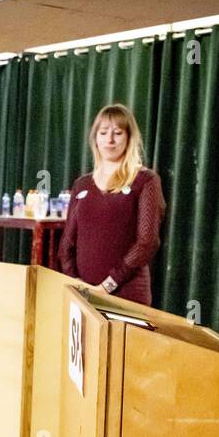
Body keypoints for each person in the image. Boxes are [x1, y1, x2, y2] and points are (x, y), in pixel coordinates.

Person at [59, 103, 165, 306]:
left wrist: (108, 285)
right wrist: (76, 282)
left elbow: (147, 242)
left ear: (128, 138)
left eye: (117, 133)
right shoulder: (81, 184)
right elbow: (67, 244)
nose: (109, 139)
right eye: (103, 132)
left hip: (127, 296)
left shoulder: (146, 180)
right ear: (95, 139)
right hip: (84, 295)